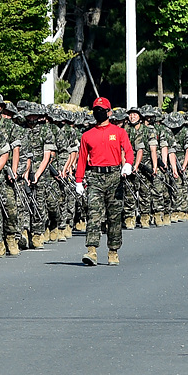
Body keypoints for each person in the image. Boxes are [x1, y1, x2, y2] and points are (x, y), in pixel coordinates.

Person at [74, 97, 134, 266]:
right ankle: (91, 250)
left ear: (109, 112)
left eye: (102, 110)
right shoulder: (87, 135)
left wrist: (128, 164)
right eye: (96, 110)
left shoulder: (119, 132)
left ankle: (113, 250)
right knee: (93, 214)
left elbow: (128, 151)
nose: (98, 113)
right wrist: (79, 180)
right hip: (95, 177)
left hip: (114, 175)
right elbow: (82, 159)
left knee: (114, 216)